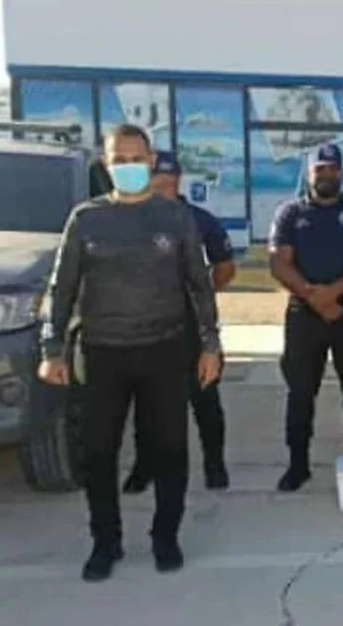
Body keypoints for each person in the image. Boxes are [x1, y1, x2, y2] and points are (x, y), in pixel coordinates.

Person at [37, 124, 222, 582]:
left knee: (170, 449)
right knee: (98, 452)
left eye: (137, 159)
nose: (129, 167)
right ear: (105, 164)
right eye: (119, 160)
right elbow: (61, 289)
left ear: (151, 161)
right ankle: (106, 541)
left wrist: (210, 345)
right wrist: (51, 349)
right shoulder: (86, 219)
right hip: (103, 353)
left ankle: (166, 537)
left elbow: (200, 286)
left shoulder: (175, 217)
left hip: (165, 350)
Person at [268, 144, 343, 492]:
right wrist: (314, 298)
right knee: (301, 392)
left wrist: (331, 294)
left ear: (341, 172)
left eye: (332, 168)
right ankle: (298, 465)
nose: (327, 174)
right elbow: (279, 263)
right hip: (304, 314)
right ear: (309, 173)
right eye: (320, 169)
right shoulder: (290, 213)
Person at [122, 151, 237, 493]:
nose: (164, 191)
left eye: (169, 185)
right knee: (146, 403)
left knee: (205, 399)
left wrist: (203, 294)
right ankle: (144, 466)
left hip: (192, 326)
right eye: (158, 185)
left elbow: (225, 265)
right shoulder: (131, 220)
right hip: (146, 325)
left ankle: (215, 465)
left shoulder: (199, 220)